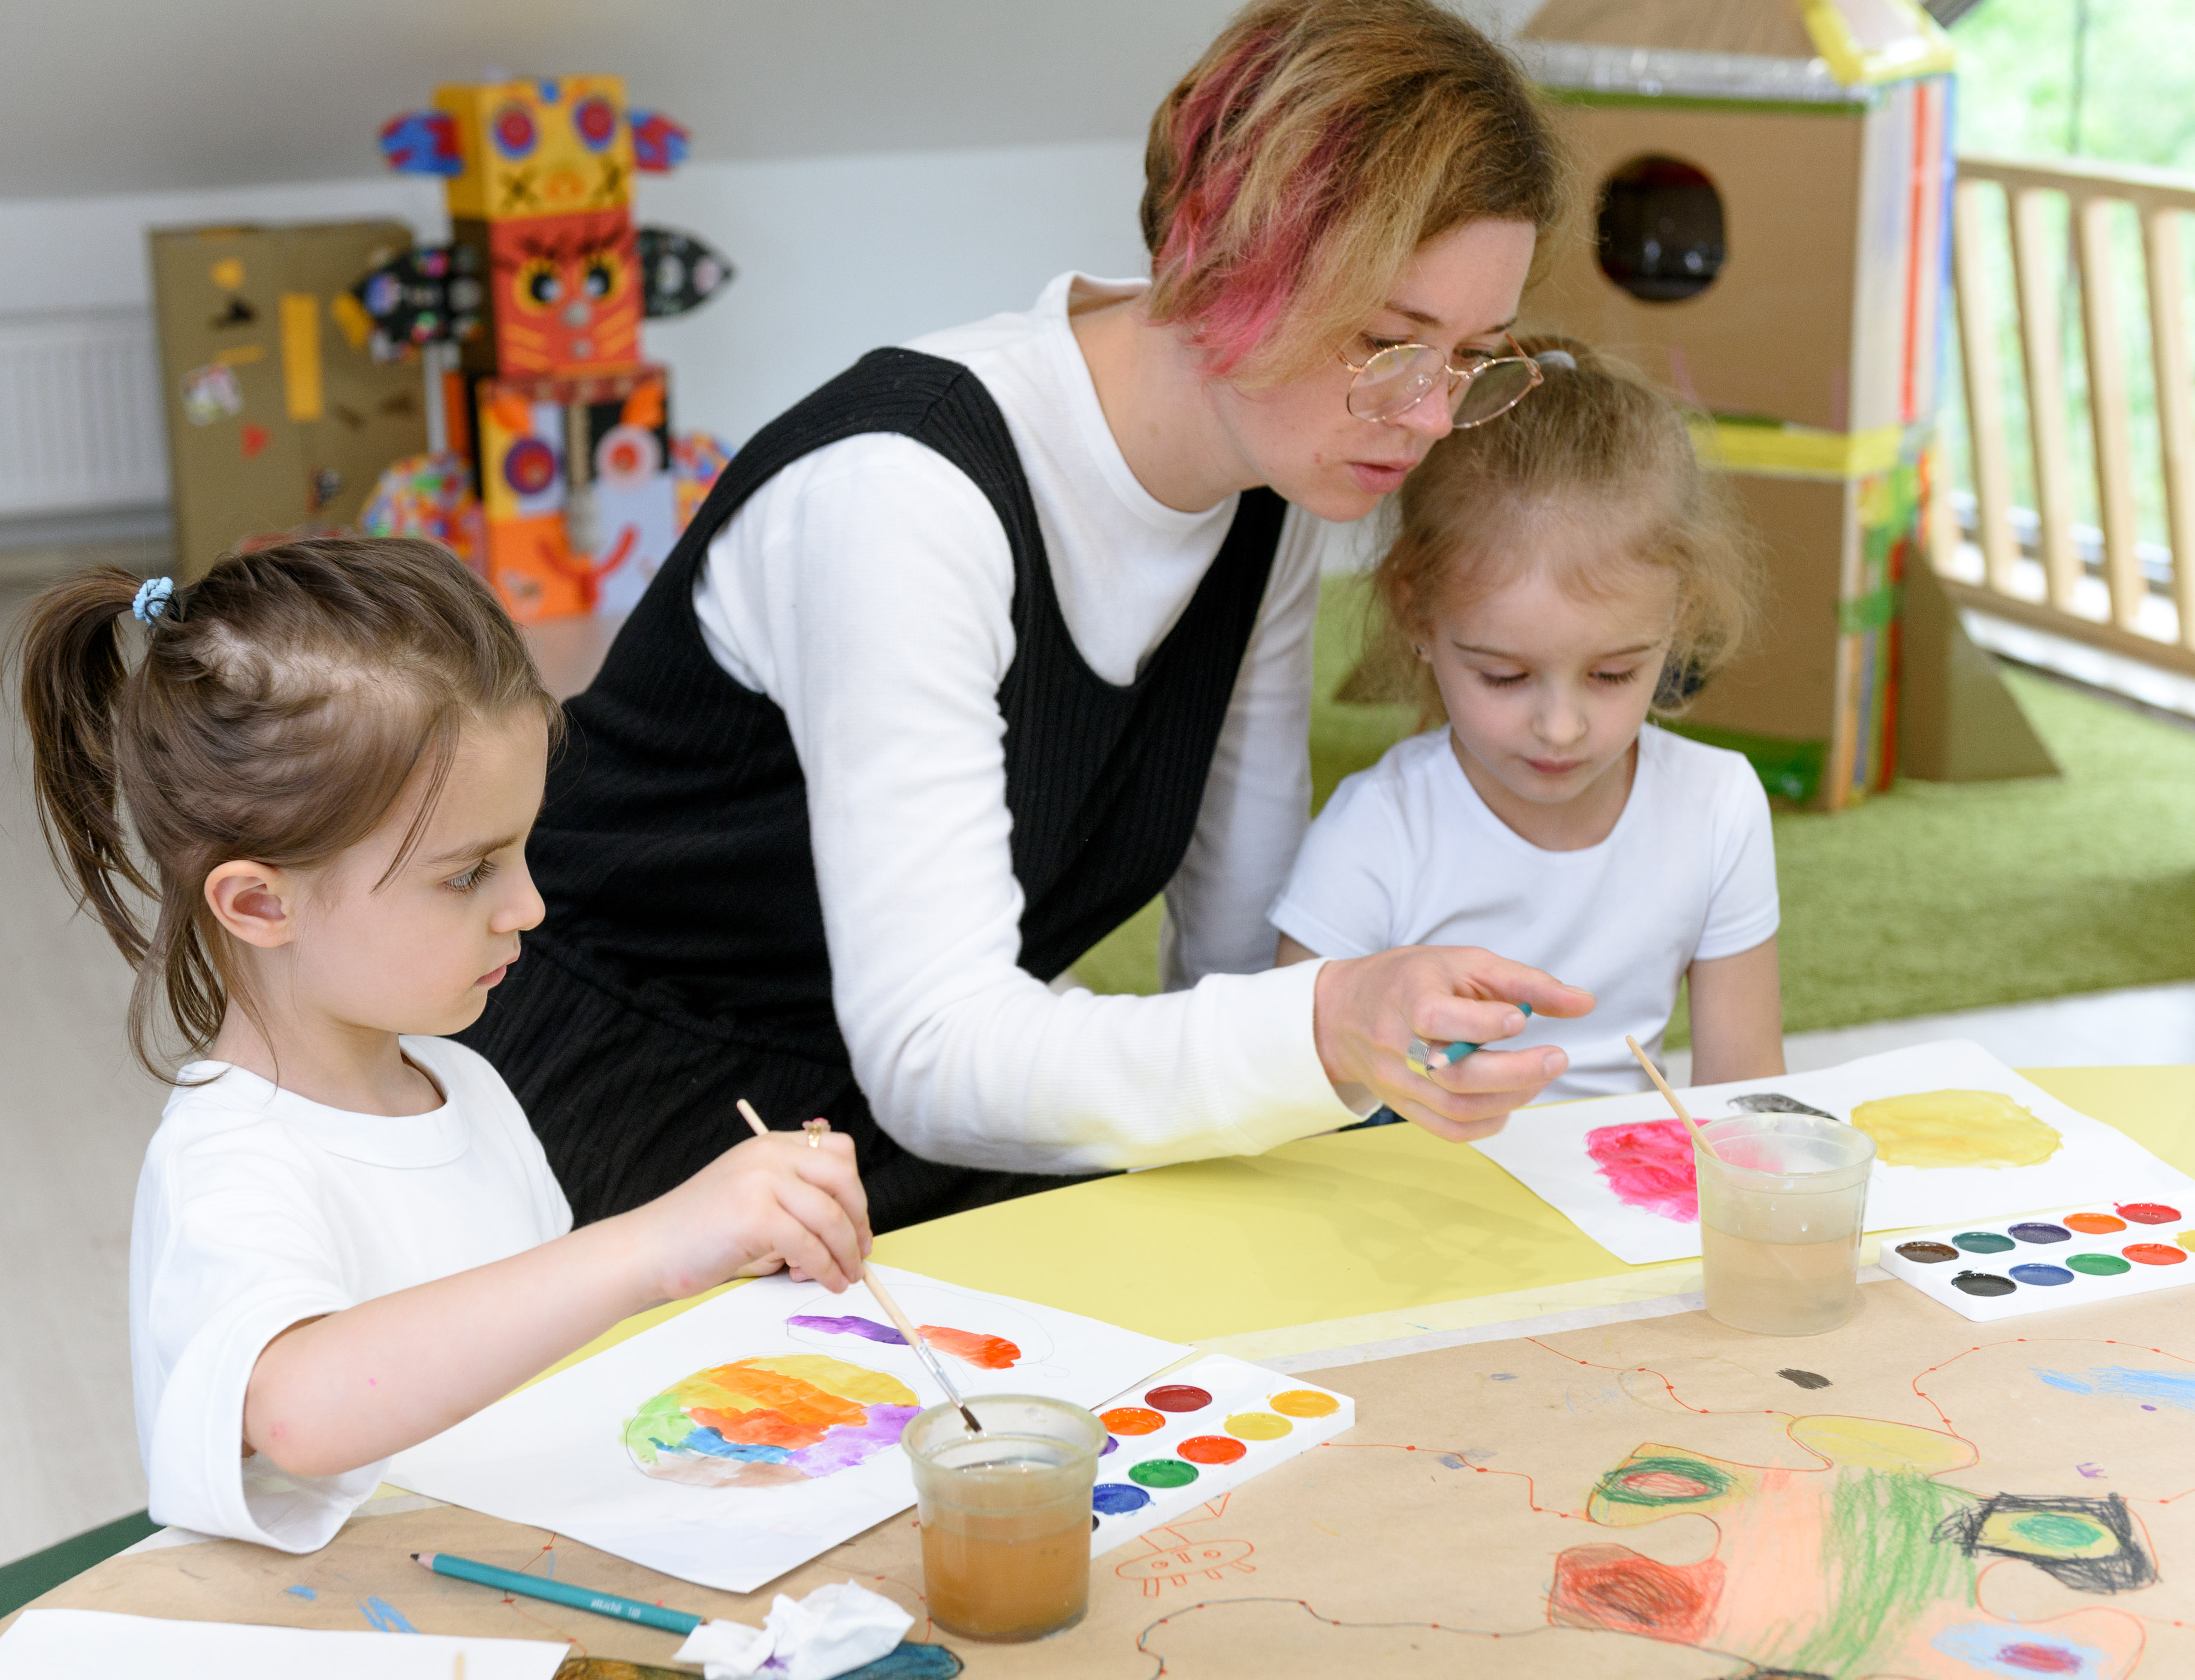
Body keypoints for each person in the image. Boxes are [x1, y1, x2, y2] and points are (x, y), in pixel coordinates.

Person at [464, 0, 1598, 1231]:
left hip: (887, 1124)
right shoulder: (905, 498)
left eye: (1473, 356)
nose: (1431, 419)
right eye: (1388, 344)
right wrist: (1320, 1030)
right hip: (619, 1121)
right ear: (1225, 258)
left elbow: (1228, 941)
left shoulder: (1275, 482)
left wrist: (1334, 1047)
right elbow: (941, 1055)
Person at [7, 540, 874, 1551]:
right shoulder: (230, 1159)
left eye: (523, 850)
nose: (531, 905)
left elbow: (528, 1355)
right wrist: (652, 1244)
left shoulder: (462, 1083)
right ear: (258, 902)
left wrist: (730, 1254)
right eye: (470, 873)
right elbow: (297, 1410)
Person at [1272, 337, 1782, 1100]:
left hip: (1626, 1199)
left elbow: (1746, 1098)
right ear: (1416, 609)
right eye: (1504, 675)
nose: (1562, 726)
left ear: (1681, 613)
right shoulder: (1378, 831)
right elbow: (1289, 1090)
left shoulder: (1718, 806)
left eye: (1613, 673)